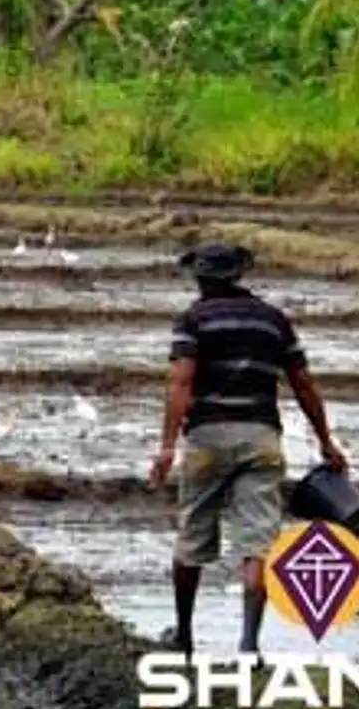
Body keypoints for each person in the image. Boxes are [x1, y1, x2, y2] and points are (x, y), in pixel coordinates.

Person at [147, 241, 347, 658]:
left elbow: (180, 383)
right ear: (238, 275)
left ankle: (183, 635)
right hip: (261, 439)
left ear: (201, 277)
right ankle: (249, 644)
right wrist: (326, 440)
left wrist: (167, 447)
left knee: (193, 535)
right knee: (256, 542)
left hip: (207, 439)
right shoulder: (274, 321)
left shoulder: (193, 319)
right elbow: (304, 384)